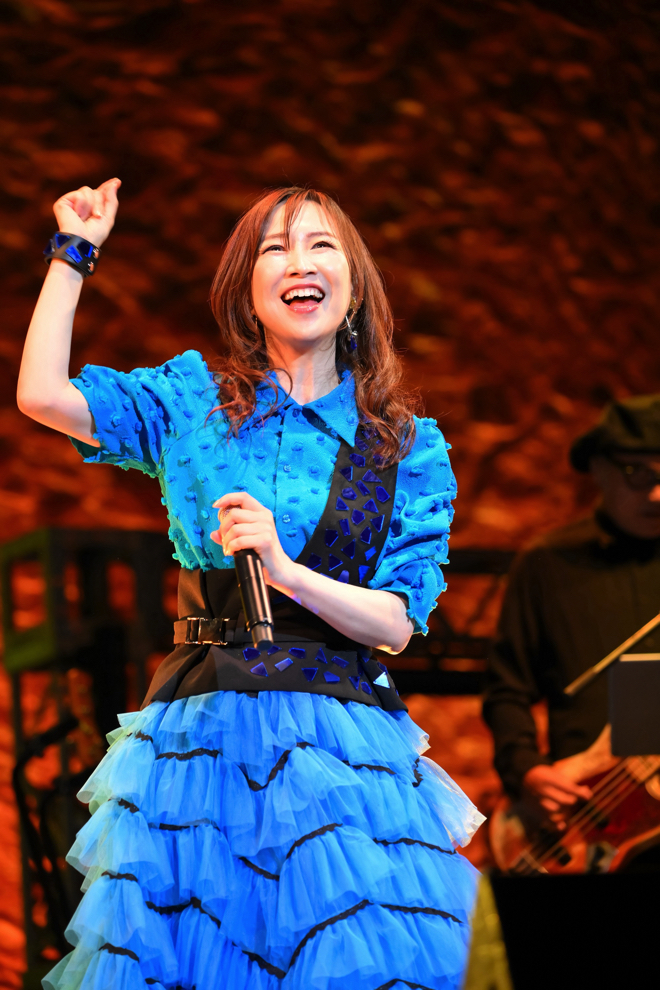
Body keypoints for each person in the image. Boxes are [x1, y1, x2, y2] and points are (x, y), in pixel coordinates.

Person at [18, 179, 483, 990]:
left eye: (320, 245)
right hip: (203, 730)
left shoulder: (402, 445)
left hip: (340, 739)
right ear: (247, 288)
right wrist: (72, 254)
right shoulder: (192, 401)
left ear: (354, 287)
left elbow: (395, 624)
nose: (299, 262)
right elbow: (42, 395)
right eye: (275, 248)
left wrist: (287, 572)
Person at [483, 395, 660, 827]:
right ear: (599, 468)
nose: (657, 494)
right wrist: (527, 770)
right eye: (638, 474)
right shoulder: (547, 563)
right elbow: (508, 690)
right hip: (590, 821)